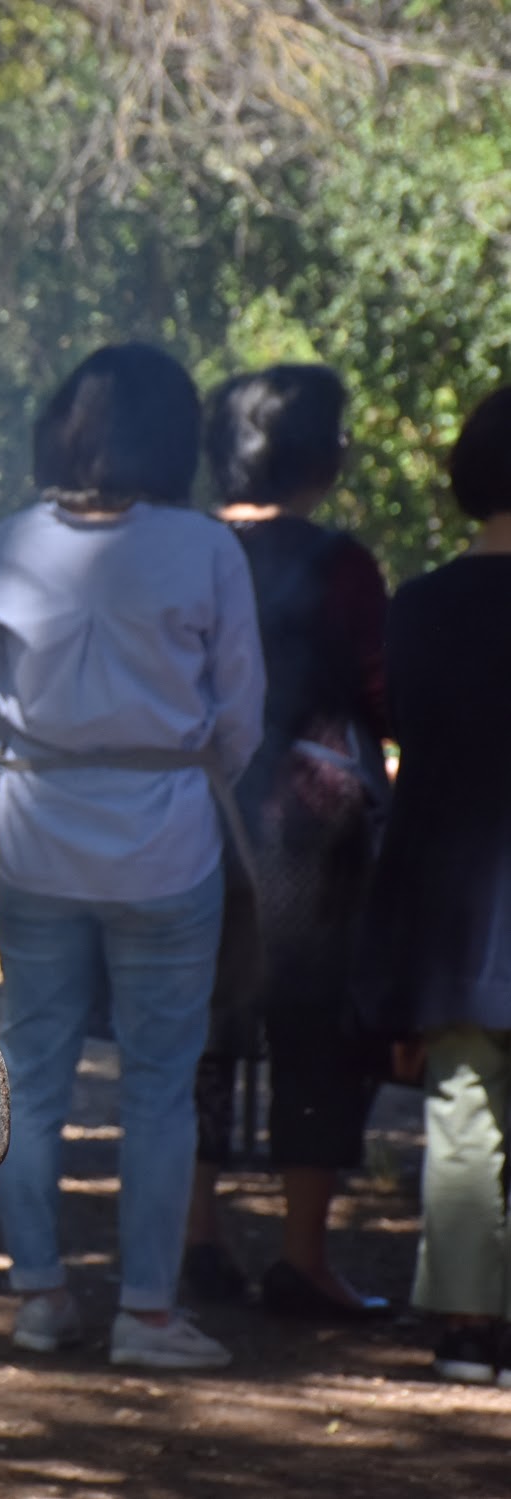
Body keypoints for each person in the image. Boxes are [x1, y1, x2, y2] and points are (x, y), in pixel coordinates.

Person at [0, 342, 263, 1371]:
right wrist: (173, 769)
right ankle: (147, 1313)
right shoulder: (204, 547)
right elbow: (241, 716)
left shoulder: (11, 540)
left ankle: (40, 1296)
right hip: (165, 840)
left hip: (38, 828)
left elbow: (1, 694)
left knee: (35, 1072)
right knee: (158, 1080)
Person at [180, 365, 391, 1319]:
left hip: (194, 816)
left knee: (198, 1031)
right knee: (316, 1035)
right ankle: (302, 1260)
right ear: (319, 454)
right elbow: (381, 692)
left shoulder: (183, 546)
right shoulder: (343, 564)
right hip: (310, 833)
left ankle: (196, 1239)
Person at [354, 386, 511, 1384]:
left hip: (460, 903)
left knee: (463, 1108)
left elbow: (409, 734)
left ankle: (465, 1326)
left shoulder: (420, 606)